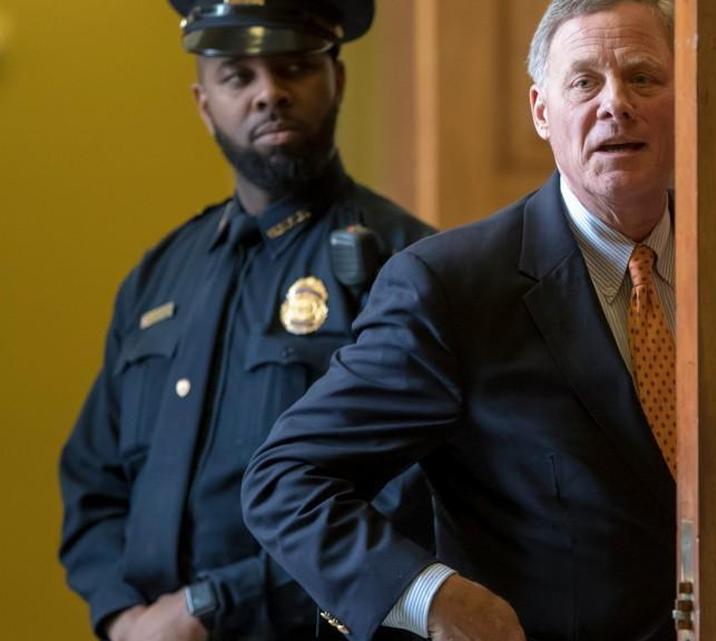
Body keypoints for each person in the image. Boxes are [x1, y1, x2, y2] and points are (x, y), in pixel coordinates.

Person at [241, 1, 677, 639]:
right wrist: (431, 599)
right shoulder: (451, 286)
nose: (616, 103)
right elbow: (286, 481)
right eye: (584, 82)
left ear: (685, 98)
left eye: (643, 77)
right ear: (540, 112)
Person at [58, 1, 435, 640]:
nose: (269, 95)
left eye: (292, 68)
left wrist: (211, 607)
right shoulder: (159, 276)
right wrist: (123, 616)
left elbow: (408, 498)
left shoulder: (407, 263)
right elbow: (93, 479)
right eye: (239, 76)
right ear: (204, 104)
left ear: (336, 79)